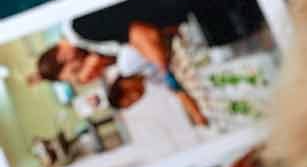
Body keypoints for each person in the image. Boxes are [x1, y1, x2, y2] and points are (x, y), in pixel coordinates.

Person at [36, 25, 208, 128]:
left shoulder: (82, 33)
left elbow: (144, 35)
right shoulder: (112, 55)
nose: (86, 76)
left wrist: (165, 70)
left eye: (76, 72)